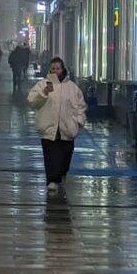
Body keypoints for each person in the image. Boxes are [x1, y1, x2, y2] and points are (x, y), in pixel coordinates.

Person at [27, 57, 87, 193]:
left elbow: (80, 106)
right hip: (48, 129)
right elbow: (32, 101)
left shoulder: (72, 88)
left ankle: (60, 175)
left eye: (57, 68)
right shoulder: (43, 85)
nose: (55, 71)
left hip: (67, 130)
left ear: (62, 69)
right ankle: (52, 180)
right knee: (51, 158)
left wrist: (78, 122)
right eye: (53, 68)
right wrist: (44, 93)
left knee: (65, 157)